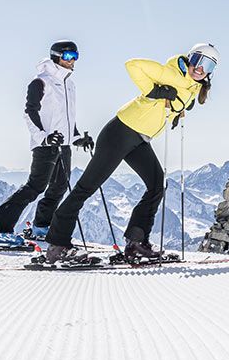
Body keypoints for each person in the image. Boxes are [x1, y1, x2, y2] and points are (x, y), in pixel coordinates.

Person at [43, 43, 217, 264]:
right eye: (198, 60)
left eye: (208, 64)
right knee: (87, 186)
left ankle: (136, 243)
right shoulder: (173, 72)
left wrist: (176, 112)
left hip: (140, 139)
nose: (201, 68)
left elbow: (171, 102)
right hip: (120, 132)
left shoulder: (193, 86)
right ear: (190, 58)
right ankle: (58, 246)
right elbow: (133, 65)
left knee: (157, 184)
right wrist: (154, 91)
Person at [0, 40, 95, 248]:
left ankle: (41, 228)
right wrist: (44, 137)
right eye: (68, 56)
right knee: (35, 187)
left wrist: (77, 137)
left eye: (75, 56)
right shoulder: (41, 82)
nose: (73, 61)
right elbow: (30, 112)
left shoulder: (69, 83)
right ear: (56, 56)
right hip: (46, 144)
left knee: (59, 187)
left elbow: (66, 117)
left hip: (64, 145)